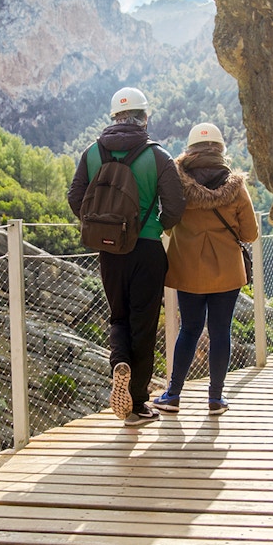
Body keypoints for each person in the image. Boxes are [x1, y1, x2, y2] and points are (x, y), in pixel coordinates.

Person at [68, 87, 186, 426]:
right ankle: (136, 403)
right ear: (144, 118)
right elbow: (176, 206)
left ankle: (119, 362)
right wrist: (156, 227)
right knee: (143, 326)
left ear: (114, 117)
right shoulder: (158, 156)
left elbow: (76, 196)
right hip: (146, 249)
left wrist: (97, 226)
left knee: (118, 317)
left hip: (109, 250)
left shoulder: (92, 153)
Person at [154, 122, 259, 415]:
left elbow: (169, 222)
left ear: (191, 149)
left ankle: (173, 395)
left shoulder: (177, 181)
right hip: (227, 270)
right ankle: (215, 399)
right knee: (220, 330)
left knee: (189, 329)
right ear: (220, 149)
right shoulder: (236, 188)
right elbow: (250, 234)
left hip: (188, 269)